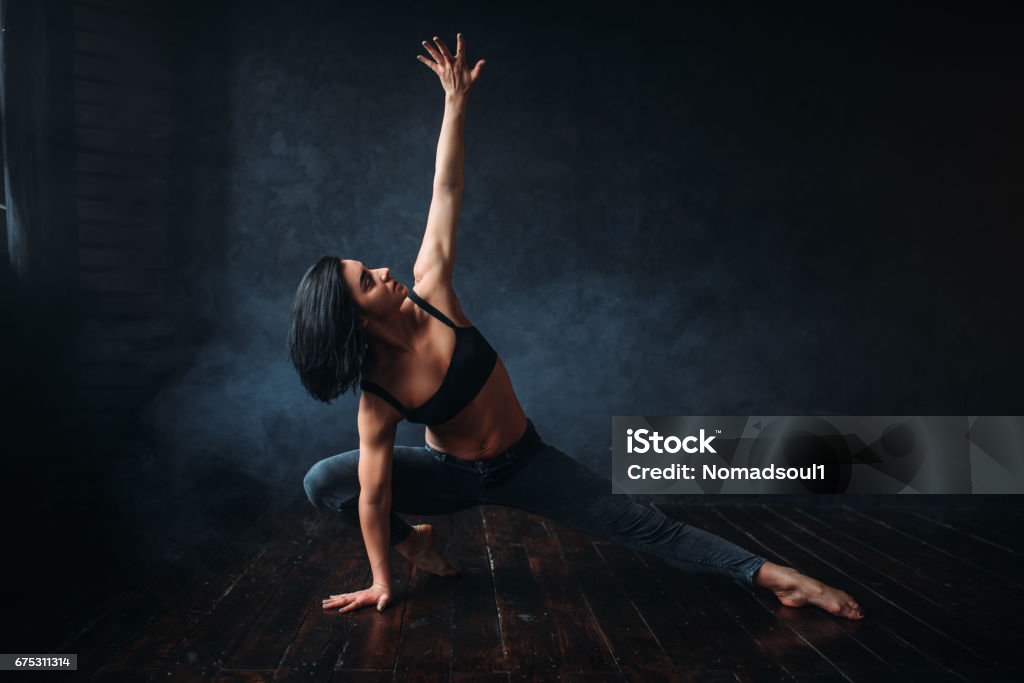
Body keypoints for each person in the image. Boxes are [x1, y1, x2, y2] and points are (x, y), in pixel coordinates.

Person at [290, 33, 864, 620]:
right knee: (325, 480)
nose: (383, 270)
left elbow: (446, 188)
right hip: (452, 477)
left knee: (646, 526)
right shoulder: (379, 396)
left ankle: (782, 578)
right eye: (367, 281)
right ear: (358, 320)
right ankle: (423, 546)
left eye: (369, 267)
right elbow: (375, 494)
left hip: (526, 463)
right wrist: (385, 575)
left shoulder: (432, 291)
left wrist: (455, 101)